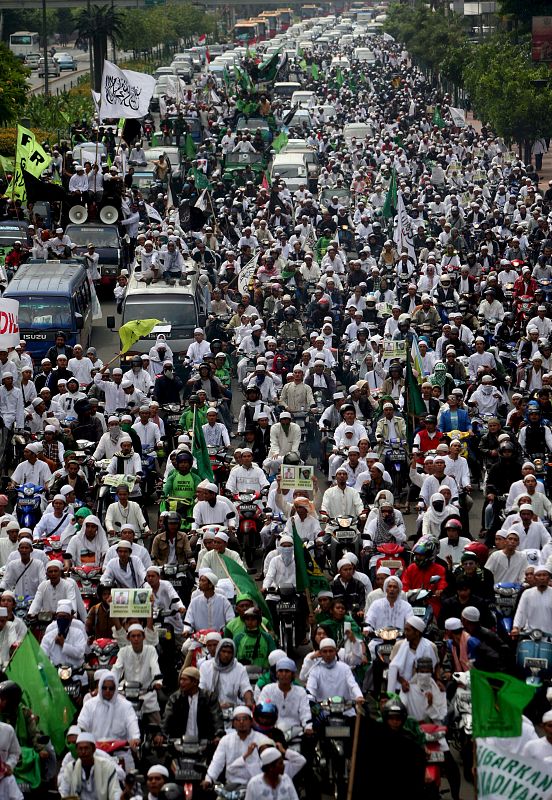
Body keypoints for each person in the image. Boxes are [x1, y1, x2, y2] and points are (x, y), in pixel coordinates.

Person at [202, 706, 271, 790]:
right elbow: (217, 762)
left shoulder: (262, 740)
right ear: (233, 723)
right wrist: (209, 779)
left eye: (245, 719)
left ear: (251, 721)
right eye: (238, 719)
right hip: (231, 787)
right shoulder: (226, 740)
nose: (241, 722)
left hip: (256, 787)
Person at [156, 665, 224, 745]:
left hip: (204, 745)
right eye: (180, 679)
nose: (181, 682)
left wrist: (218, 736)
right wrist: (161, 734)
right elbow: (166, 718)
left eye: (184, 680)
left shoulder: (209, 698)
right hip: (180, 744)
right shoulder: (175, 698)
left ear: (195, 682)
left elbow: (217, 719)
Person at [58, 732, 121, 800]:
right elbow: (63, 792)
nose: (83, 752)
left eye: (86, 748)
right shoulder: (71, 768)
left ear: (93, 749)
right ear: (77, 750)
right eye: (80, 749)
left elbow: (116, 792)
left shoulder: (107, 767)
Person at [199, 638, 254, 708]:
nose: (226, 655)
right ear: (218, 651)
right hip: (209, 707)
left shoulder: (239, 668)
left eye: (229, 652)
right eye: (223, 651)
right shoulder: (206, 666)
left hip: (231, 706)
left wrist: (248, 701)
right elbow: (201, 688)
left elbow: (246, 687)